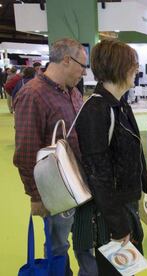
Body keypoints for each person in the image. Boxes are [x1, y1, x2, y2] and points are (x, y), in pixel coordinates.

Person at [73, 39, 147, 276]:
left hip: (125, 205)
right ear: (118, 67)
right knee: (115, 271)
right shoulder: (97, 110)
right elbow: (98, 174)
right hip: (107, 214)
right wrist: (118, 225)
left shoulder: (120, 105)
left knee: (128, 269)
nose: (137, 69)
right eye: (133, 64)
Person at [13, 38, 87, 276]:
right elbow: (26, 152)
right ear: (66, 60)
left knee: (82, 239)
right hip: (54, 191)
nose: (84, 72)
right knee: (57, 244)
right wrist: (36, 196)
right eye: (82, 66)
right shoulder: (32, 95)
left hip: (80, 182)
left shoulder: (73, 91)